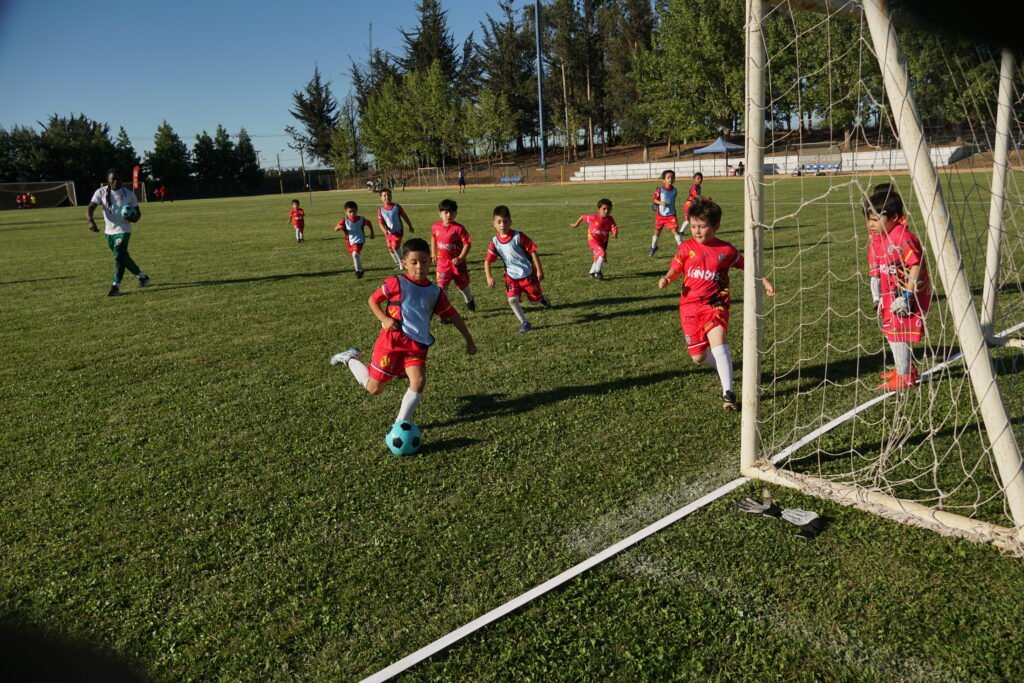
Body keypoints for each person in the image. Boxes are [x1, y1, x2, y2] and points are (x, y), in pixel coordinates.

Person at [330, 237, 477, 428]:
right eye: (413, 262)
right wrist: (384, 319)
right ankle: (350, 358)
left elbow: (454, 315)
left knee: (419, 380)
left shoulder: (435, 292)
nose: (419, 267)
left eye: (423, 262)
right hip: (392, 342)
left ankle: (400, 423)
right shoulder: (396, 283)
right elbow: (373, 300)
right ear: (404, 262)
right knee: (375, 389)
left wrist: (469, 340)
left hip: (416, 346)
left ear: (430, 261)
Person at [658, 196, 775, 410]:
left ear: (716, 226)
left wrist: (764, 280)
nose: (697, 231)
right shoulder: (686, 248)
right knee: (698, 357)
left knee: (719, 343)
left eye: (702, 227)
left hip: (715, 303)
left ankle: (728, 394)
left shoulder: (726, 250)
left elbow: (746, 265)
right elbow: (676, 268)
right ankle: (725, 368)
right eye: (693, 226)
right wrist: (667, 278)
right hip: (689, 308)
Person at [865, 184, 931, 390]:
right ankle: (905, 369)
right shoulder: (879, 238)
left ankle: (905, 377)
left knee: (897, 333)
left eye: (876, 219)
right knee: (890, 331)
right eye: (868, 219)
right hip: (889, 294)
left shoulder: (903, 237)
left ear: (893, 217)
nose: (870, 224)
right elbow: (877, 266)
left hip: (906, 295)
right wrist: (877, 293)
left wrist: (907, 294)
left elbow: (916, 264)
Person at [485, 205, 550, 333]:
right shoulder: (495, 242)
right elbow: (487, 261)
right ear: (494, 224)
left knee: (535, 302)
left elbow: (533, 251)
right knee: (512, 300)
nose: (502, 224)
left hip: (528, 274)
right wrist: (489, 276)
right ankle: (525, 322)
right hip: (511, 277)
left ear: (510, 222)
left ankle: (542, 299)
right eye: (499, 222)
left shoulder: (518, 236)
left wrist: (539, 270)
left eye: (505, 221)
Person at [86, 168, 150, 297]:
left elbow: (138, 214)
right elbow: (91, 207)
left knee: (119, 256)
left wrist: (133, 218)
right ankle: (143, 277)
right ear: (108, 181)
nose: (116, 181)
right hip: (109, 231)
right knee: (123, 257)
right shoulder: (101, 192)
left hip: (123, 229)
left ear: (122, 180)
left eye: (118, 179)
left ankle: (116, 286)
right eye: (113, 179)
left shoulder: (129, 194)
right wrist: (90, 220)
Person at [430, 198, 476, 314]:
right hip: (442, 263)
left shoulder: (459, 229)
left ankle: (469, 300)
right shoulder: (435, 227)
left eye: (451, 212)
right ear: (440, 214)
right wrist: (433, 253)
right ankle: (445, 311)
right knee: (442, 286)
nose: (448, 215)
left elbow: (467, 243)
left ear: (456, 213)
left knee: (462, 286)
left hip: (457, 264)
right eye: (445, 212)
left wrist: (461, 258)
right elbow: (434, 238)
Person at [570, 198, 618, 280]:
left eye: (609, 209)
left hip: (603, 241)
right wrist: (576, 224)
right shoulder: (593, 217)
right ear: (599, 210)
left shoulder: (610, 219)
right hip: (593, 240)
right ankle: (597, 272)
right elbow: (582, 217)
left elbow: (613, 226)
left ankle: (591, 273)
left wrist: (615, 233)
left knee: (598, 257)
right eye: (604, 209)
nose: (606, 211)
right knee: (602, 253)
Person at [334, 200, 375, 278]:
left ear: (357, 211)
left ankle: (357, 271)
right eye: (350, 211)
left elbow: (369, 223)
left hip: (359, 240)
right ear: (346, 212)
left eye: (354, 211)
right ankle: (361, 270)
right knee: (355, 255)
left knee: (355, 254)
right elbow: (336, 228)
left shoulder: (361, 219)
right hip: (349, 242)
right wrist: (339, 228)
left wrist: (372, 233)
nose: (352, 213)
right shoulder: (345, 220)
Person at [377, 188, 415, 271]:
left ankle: (402, 263)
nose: (387, 197)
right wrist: (384, 231)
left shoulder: (396, 207)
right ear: (381, 198)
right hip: (389, 233)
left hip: (398, 231)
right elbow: (381, 222)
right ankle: (398, 263)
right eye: (385, 195)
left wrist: (410, 225)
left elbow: (405, 216)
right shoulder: (380, 210)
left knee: (395, 247)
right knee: (390, 248)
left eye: (389, 195)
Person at [649, 170, 682, 256]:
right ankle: (653, 247)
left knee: (675, 230)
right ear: (664, 180)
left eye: (672, 177)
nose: (670, 179)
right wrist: (661, 203)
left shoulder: (675, 191)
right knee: (657, 231)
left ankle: (682, 249)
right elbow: (654, 199)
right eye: (668, 177)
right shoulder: (659, 189)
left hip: (671, 215)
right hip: (660, 215)